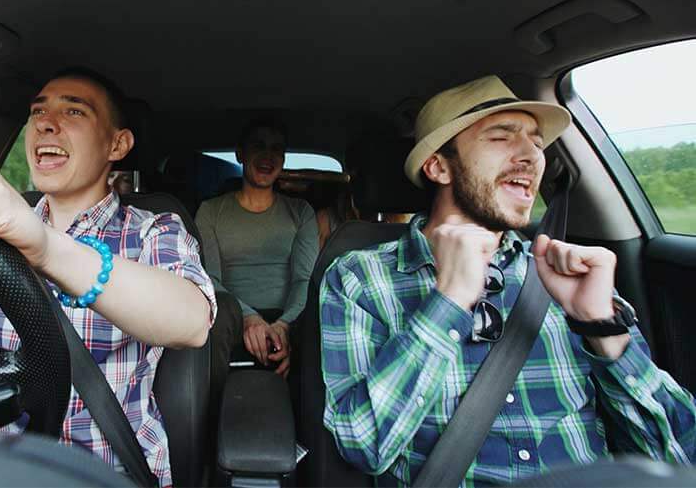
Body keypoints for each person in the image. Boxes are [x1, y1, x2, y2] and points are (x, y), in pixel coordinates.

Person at [320, 75, 696, 486]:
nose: (533, 157)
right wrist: (447, 303)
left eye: (536, 143)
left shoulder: (566, 276)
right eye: (502, 137)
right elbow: (362, 444)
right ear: (438, 166)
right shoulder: (360, 276)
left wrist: (602, 328)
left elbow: (678, 456)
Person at [0, 68, 216, 487]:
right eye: (37, 112)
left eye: (74, 111)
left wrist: (45, 246)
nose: (46, 123)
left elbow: (191, 320)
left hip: (106, 472)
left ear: (117, 144)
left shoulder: (154, 230)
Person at [197, 118, 318, 382]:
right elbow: (209, 280)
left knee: (321, 319)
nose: (268, 156)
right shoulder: (210, 211)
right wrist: (249, 317)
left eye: (277, 149)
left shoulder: (301, 212)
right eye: (259, 146)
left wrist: (284, 326)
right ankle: (206, 415)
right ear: (241, 153)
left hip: (291, 316)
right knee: (207, 319)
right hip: (230, 314)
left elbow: (304, 279)